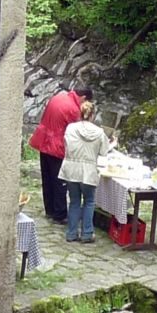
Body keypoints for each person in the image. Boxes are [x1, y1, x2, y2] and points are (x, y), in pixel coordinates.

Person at [28, 83, 90, 223]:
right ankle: (60, 214)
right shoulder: (73, 109)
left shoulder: (59, 97)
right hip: (57, 147)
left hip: (43, 141)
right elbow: (77, 132)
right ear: (83, 98)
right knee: (59, 181)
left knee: (47, 178)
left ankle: (50, 209)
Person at [59, 100, 114, 243]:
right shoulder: (100, 132)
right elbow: (103, 152)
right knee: (89, 202)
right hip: (89, 170)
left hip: (71, 168)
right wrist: (112, 143)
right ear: (93, 115)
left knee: (74, 201)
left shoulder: (71, 128)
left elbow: (66, 144)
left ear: (80, 113)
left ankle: (71, 233)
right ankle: (87, 233)